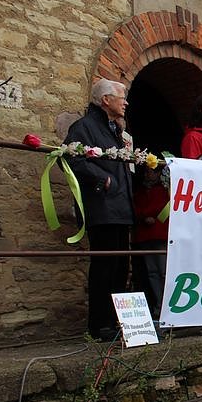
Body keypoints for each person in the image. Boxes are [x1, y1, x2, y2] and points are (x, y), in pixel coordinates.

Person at [65, 78, 134, 340]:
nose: (126, 103)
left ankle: (116, 321)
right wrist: (103, 180)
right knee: (105, 266)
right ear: (106, 100)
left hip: (120, 207)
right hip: (103, 206)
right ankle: (100, 324)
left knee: (120, 266)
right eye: (122, 97)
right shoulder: (84, 126)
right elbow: (71, 157)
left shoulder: (114, 129)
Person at [132, 164, 169, 321]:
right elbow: (135, 207)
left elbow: (164, 206)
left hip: (160, 233)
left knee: (163, 271)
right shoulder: (140, 191)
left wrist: (151, 216)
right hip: (144, 234)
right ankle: (158, 305)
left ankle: (167, 305)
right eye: (146, 172)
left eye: (151, 172)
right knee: (152, 272)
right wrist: (143, 216)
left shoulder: (164, 189)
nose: (148, 175)